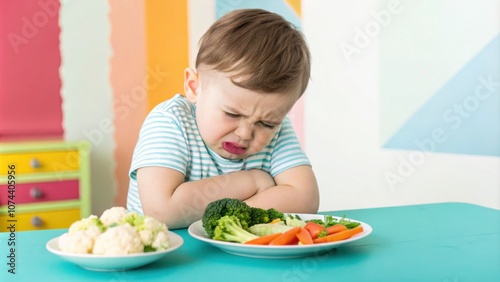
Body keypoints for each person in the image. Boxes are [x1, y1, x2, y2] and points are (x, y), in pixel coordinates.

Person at [127, 9, 319, 229]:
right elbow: (162, 211)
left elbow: (306, 199)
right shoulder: (170, 122)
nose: (245, 133)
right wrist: (253, 181)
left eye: (266, 123)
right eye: (232, 114)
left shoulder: (279, 130)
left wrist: (229, 220)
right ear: (194, 87)